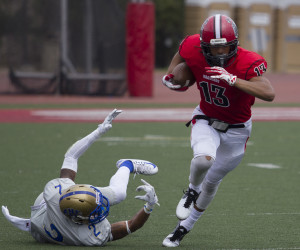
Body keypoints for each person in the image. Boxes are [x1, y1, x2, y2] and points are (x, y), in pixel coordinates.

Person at [162, 14, 275, 247]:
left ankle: (183, 228)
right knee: (203, 160)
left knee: (212, 182)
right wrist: (171, 75)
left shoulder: (247, 61)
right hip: (206, 118)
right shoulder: (192, 45)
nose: (220, 54)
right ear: (203, 47)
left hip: (237, 131)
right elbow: (182, 54)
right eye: (214, 50)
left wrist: (233, 80)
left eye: (225, 48)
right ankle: (192, 190)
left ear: (234, 45)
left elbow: (268, 93)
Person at [2, 109, 160, 246]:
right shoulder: (88, 238)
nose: (102, 209)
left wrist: (99, 131)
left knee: (116, 195)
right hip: (45, 220)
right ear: (79, 219)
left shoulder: (54, 193)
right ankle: (127, 165)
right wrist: (149, 206)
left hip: (44, 207)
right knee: (120, 193)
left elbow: (71, 157)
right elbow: (130, 226)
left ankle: (126, 165)